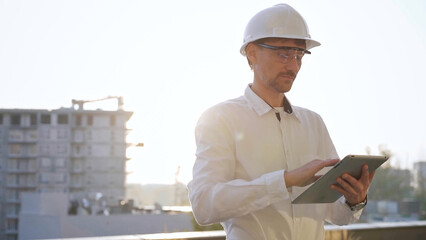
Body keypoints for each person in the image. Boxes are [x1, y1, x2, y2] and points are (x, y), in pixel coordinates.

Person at [188, 3, 374, 240]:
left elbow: (335, 214)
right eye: (283, 53)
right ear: (252, 53)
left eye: (299, 55)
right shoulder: (221, 119)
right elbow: (203, 206)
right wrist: (284, 181)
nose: (293, 66)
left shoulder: (313, 123)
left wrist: (354, 200)